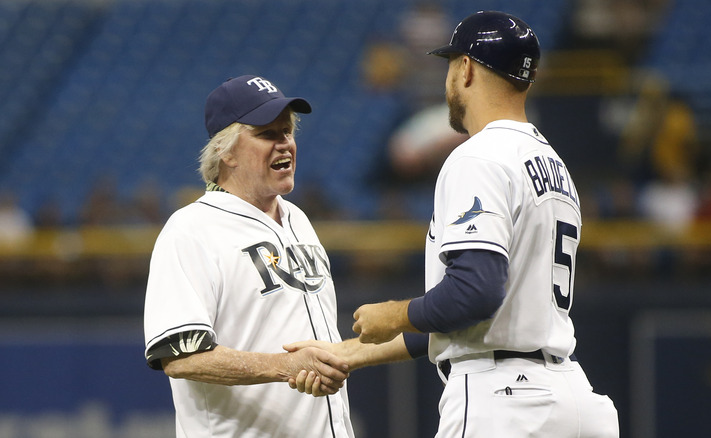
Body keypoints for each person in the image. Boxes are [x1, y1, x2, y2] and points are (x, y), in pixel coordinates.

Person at [287, 11, 620, 437]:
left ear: (466, 68)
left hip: (504, 403)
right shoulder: (551, 163)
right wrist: (346, 353)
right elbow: (472, 322)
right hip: (570, 399)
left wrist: (396, 312)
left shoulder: (479, 156)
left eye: (449, 64)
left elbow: (475, 293)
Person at [143, 75, 355, 438]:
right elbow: (179, 357)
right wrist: (286, 366)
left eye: (286, 132)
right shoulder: (191, 229)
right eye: (266, 134)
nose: (284, 144)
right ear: (225, 150)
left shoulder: (298, 220)